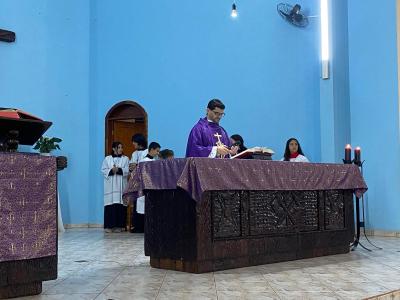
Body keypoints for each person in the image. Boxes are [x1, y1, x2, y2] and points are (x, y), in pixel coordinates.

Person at [101, 141, 130, 233]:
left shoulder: (126, 159)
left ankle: (120, 226)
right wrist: (111, 170)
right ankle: (109, 226)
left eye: (122, 147)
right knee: (110, 205)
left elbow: (128, 170)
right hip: (111, 186)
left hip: (121, 185)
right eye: (119, 147)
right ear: (114, 149)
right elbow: (103, 170)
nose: (121, 149)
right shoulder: (107, 159)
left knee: (120, 205)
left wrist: (119, 169)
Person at [133, 141, 161, 233]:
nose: (158, 153)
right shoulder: (143, 161)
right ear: (151, 149)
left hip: (152, 188)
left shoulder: (154, 162)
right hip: (144, 187)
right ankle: (140, 228)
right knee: (142, 207)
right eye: (157, 151)